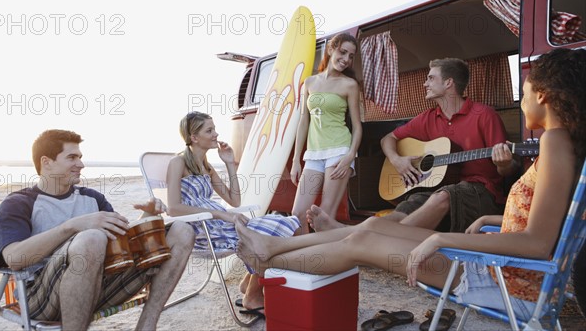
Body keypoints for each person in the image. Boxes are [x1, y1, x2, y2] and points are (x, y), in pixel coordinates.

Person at [236, 47, 586, 322]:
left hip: (503, 287)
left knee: (360, 244)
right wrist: (486, 221)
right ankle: (270, 248)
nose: (521, 101)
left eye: (523, 93)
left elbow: (539, 244)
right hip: (498, 271)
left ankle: (268, 262)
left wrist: (442, 236)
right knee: (370, 225)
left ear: (542, 95)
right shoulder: (561, 142)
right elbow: (542, 226)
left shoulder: (555, 142)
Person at [0, 129, 195, 330]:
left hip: (98, 286)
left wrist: (148, 216)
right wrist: (71, 227)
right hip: (40, 299)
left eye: (80, 157)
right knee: (91, 238)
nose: (81, 164)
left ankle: (147, 324)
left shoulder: (92, 198)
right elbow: (13, 259)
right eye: (72, 157)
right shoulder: (19, 203)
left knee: (182, 231)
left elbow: (121, 240)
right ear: (46, 162)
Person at [309, 57, 518, 233]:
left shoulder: (484, 115)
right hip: (440, 188)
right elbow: (387, 139)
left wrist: (505, 163)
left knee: (443, 196)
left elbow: (509, 169)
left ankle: (372, 241)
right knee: (404, 209)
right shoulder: (428, 118)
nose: (425, 84)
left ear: (448, 83)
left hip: (481, 193)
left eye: (430, 78)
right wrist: (396, 160)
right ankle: (346, 232)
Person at [165, 111, 301, 314]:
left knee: (284, 223)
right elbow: (173, 208)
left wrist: (229, 163)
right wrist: (222, 215)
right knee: (263, 235)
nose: (216, 134)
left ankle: (250, 285)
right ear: (194, 137)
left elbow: (234, 200)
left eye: (214, 129)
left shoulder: (206, 167)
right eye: (209, 130)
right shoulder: (178, 163)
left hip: (218, 223)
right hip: (201, 228)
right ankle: (252, 298)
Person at [290, 32, 362, 233]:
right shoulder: (310, 83)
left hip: (339, 152)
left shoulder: (349, 85)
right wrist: (297, 160)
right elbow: (304, 121)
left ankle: (324, 262)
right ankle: (303, 261)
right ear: (331, 49)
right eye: (343, 52)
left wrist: (349, 156)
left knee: (325, 216)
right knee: (297, 214)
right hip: (314, 154)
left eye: (351, 56)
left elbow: (357, 126)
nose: (346, 59)